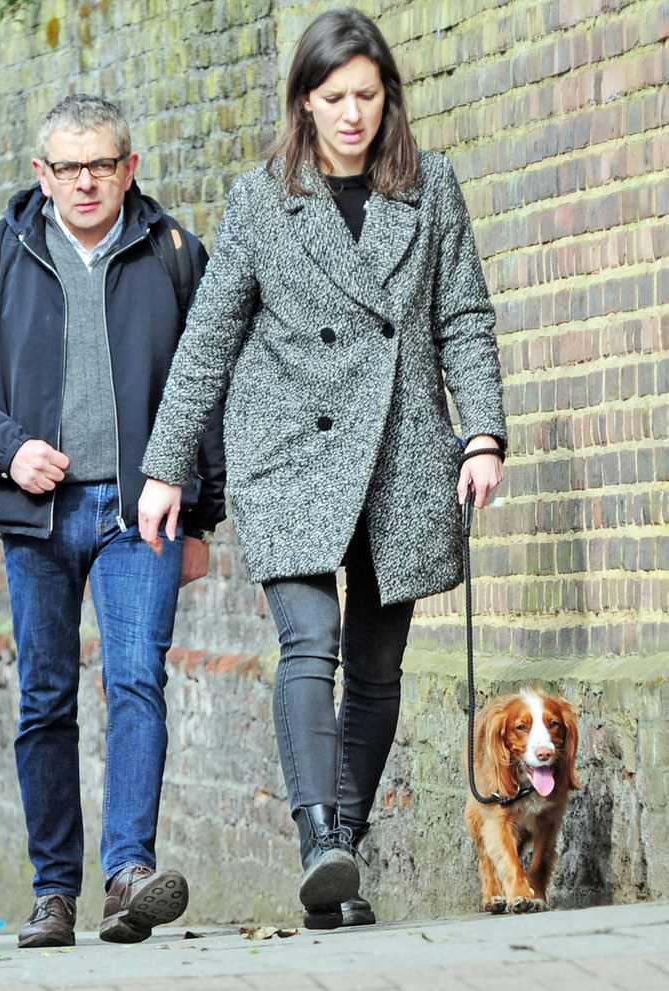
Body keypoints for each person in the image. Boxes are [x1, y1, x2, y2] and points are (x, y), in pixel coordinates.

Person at [137, 8, 505, 930]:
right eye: (334, 97)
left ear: (389, 102)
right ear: (304, 101)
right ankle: (321, 842)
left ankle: (340, 854)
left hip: (401, 453)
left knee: (378, 670)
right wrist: (165, 468)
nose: (352, 115)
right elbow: (209, 339)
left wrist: (484, 433)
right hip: (288, 454)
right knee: (309, 639)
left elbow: (463, 316)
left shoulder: (433, 189)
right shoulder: (262, 199)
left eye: (367, 98)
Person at [0, 94, 225, 948]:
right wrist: (10, 448)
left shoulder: (173, 254)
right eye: (67, 166)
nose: (85, 181)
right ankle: (52, 892)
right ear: (41, 174)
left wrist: (202, 512)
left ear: (130, 168)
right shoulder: (1, 255)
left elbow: (207, 388)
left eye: (102, 164)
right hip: (38, 515)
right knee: (44, 699)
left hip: (144, 512)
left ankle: (128, 872)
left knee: (136, 679)